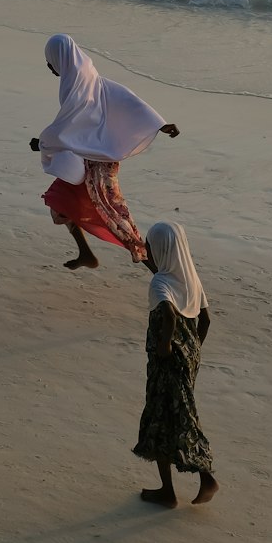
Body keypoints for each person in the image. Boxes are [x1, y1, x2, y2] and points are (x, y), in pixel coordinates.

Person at [30, 34, 180, 269]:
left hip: (98, 163)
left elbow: (124, 103)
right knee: (60, 201)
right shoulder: (82, 79)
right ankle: (86, 254)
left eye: (51, 62)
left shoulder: (81, 84)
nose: (50, 68)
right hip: (83, 158)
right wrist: (159, 123)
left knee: (113, 216)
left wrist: (158, 124)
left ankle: (156, 270)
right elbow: (82, 122)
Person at [133, 220, 218, 508]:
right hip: (190, 358)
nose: (148, 250)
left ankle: (181, 487)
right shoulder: (189, 277)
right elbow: (205, 319)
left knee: (163, 419)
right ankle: (184, 485)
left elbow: (168, 315)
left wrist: (165, 346)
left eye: (150, 246)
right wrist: (193, 350)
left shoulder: (160, 284)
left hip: (166, 362)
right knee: (181, 414)